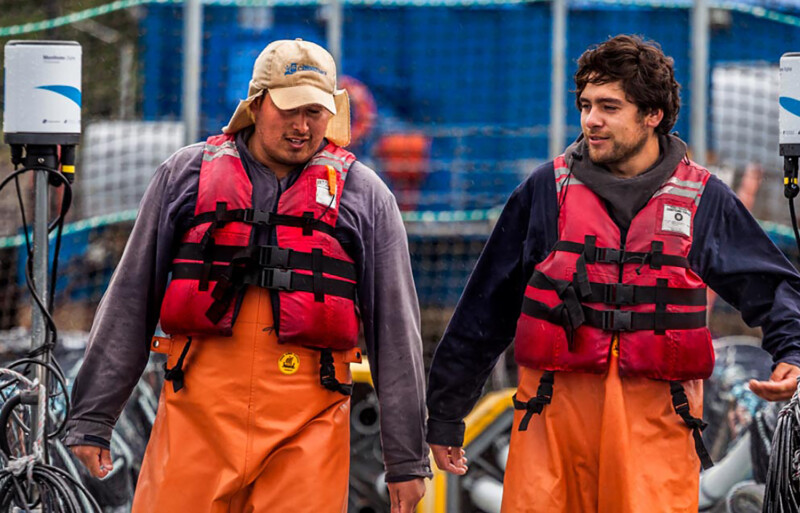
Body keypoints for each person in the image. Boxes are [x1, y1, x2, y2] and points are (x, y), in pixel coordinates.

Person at [425, 34, 800, 512]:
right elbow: (484, 310)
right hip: (550, 425)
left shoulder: (704, 199)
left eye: (609, 106)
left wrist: (793, 352)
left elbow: (773, 287)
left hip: (657, 428)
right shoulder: (545, 191)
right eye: (585, 105)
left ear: (653, 115)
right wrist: (446, 414)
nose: (590, 120)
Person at [65, 39, 430, 512]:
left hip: (308, 432)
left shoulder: (366, 196)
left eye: (316, 113)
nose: (302, 127)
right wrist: (93, 417)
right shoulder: (185, 175)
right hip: (195, 420)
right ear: (257, 105)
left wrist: (406, 460)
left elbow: (396, 334)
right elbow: (131, 300)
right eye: (290, 110)